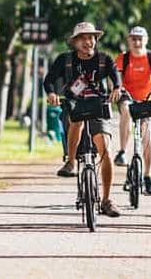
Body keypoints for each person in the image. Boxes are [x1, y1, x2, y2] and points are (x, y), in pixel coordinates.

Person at [43, 21, 122, 217]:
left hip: (98, 105)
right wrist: (51, 93)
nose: (88, 42)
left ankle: (107, 200)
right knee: (75, 121)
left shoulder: (104, 59)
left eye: (91, 38)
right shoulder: (65, 60)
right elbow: (49, 79)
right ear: (75, 42)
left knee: (106, 150)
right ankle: (71, 162)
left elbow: (115, 76)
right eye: (83, 38)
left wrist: (117, 88)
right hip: (75, 104)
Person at [113, 26, 151, 196]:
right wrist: (116, 88)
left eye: (140, 39)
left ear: (146, 40)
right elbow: (115, 78)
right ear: (129, 40)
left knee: (148, 135)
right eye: (134, 39)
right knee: (126, 108)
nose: (137, 42)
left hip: (148, 98)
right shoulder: (123, 58)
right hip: (128, 97)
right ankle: (122, 151)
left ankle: (148, 176)